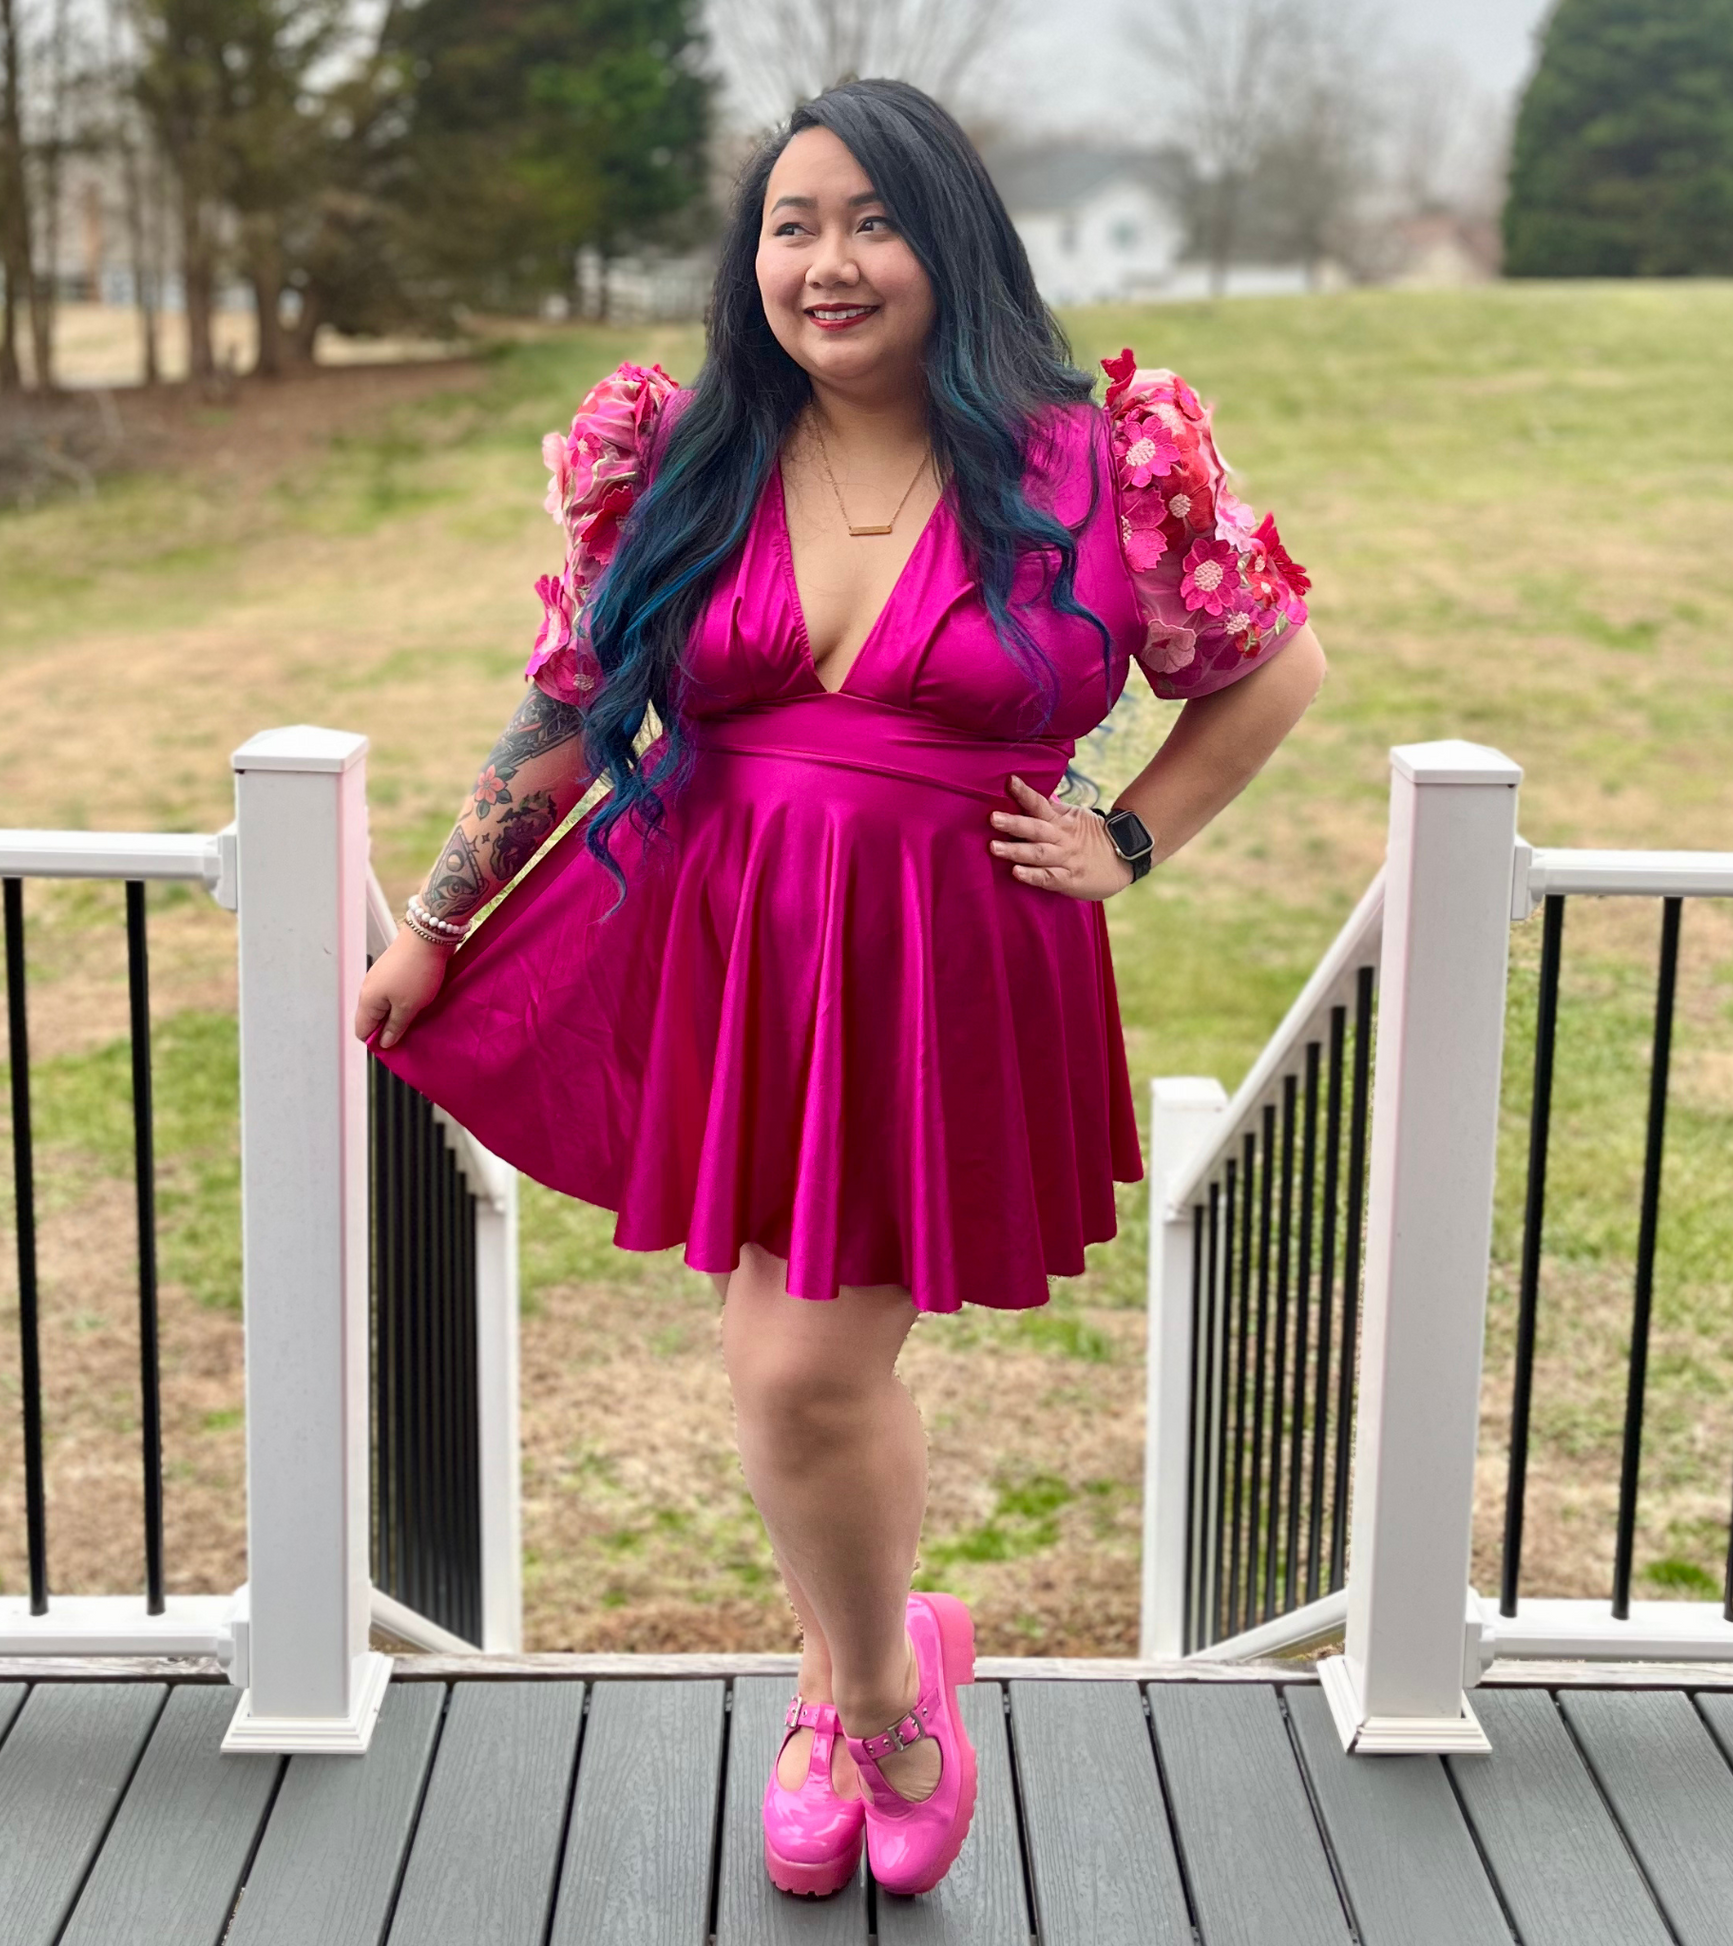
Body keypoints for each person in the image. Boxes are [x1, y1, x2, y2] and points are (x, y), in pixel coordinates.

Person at [354, 77, 1324, 1901]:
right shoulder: (682, 452)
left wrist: (1127, 837)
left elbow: (1269, 667)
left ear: (949, 239)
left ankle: (874, 1703)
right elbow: (574, 702)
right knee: (785, 1359)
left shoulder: (1099, 454)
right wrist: (434, 912)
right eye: (789, 225)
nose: (826, 260)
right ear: (751, 263)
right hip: (727, 943)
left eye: (869, 219)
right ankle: (858, 1677)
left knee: (800, 1362)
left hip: (945, 956)